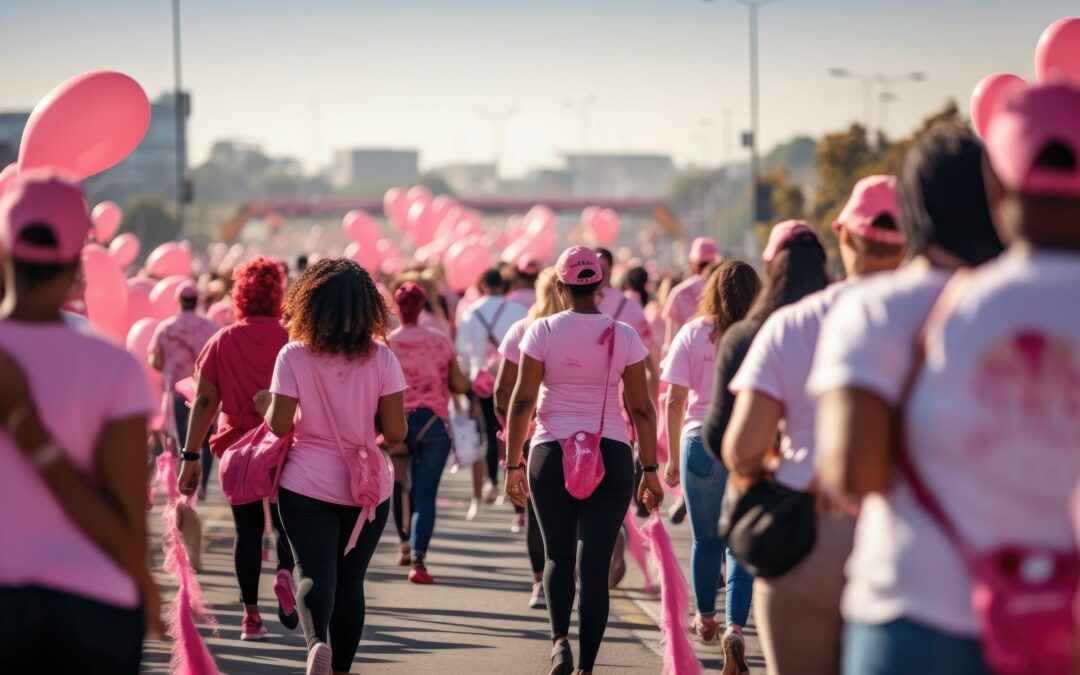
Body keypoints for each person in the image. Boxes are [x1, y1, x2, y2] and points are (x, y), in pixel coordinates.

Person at [809, 115, 1061, 675]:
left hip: (915, 610)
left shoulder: (875, 309)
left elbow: (854, 472)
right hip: (1047, 608)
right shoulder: (1049, 304)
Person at [721, 176, 905, 675]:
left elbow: (742, 448)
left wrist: (778, 460)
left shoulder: (794, 322)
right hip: (915, 540)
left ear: (844, 239)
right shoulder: (953, 310)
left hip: (814, 535)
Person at [0, 171, 162, 672]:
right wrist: (146, 584)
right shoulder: (113, 367)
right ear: (77, 260)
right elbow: (127, 521)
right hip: (96, 610)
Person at [504, 246, 664, 675]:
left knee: (558, 557)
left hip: (549, 451)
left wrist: (512, 464)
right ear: (600, 284)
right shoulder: (625, 334)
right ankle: (587, 668)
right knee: (593, 566)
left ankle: (559, 645)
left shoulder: (540, 331)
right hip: (609, 453)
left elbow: (522, 400)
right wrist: (649, 470)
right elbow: (642, 409)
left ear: (560, 285)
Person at [262, 258, 406, 675]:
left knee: (312, 572)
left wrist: (265, 404)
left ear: (311, 302)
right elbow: (396, 434)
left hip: (305, 481)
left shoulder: (292, 355)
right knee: (351, 583)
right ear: (368, 307)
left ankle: (316, 643)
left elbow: (279, 425)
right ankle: (340, 668)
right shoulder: (383, 359)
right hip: (366, 490)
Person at [701, 220, 830, 672]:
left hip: (796, 510)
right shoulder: (872, 313)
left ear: (771, 265)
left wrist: (764, 465)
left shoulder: (759, 332)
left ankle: (730, 625)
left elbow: (727, 440)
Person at [176, 256, 298, 638]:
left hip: (238, 451)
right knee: (285, 527)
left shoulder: (223, 339)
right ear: (278, 295)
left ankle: (251, 617)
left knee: (247, 532)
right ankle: (283, 573)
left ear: (239, 296)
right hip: (285, 445)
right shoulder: (293, 337)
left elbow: (205, 402)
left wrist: (190, 456)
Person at [660, 261, 760, 654]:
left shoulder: (693, 332)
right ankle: (735, 626)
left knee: (706, 541)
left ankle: (705, 617)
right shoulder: (760, 333)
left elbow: (674, 401)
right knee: (740, 543)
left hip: (698, 439)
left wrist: (668, 458)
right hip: (747, 439)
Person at [387, 281, 470, 584]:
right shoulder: (440, 340)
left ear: (397, 307)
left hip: (397, 422)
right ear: (422, 307)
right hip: (434, 423)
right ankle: (419, 559)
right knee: (425, 496)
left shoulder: (387, 343)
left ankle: (404, 543)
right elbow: (460, 385)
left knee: (400, 484)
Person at [494, 267, 567, 609]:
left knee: (536, 511)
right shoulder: (584, 329)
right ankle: (572, 575)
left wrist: (513, 429)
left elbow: (502, 391)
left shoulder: (522, 329)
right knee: (575, 511)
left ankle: (541, 582)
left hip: (534, 432)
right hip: (582, 433)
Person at [456, 267, 527, 518]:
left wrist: (468, 374)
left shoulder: (471, 312)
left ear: (482, 284)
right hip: (515, 379)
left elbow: (462, 351)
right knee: (518, 431)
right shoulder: (518, 311)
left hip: (483, 380)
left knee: (488, 430)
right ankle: (520, 499)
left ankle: (494, 480)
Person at [150, 281, 218, 498]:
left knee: (182, 438)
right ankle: (202, 486)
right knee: (205, 439)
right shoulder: (210, 327)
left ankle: (186, 484)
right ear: (197, 301)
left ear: (179, 301)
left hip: (177, 391)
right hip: (204, 389)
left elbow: (156, 361)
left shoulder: (166, 327)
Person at [663, 236, 719, 350]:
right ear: (714, 261)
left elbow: (670, 341)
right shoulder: (724, 290)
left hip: (685, 357)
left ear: (693, 261)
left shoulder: (678, 292)